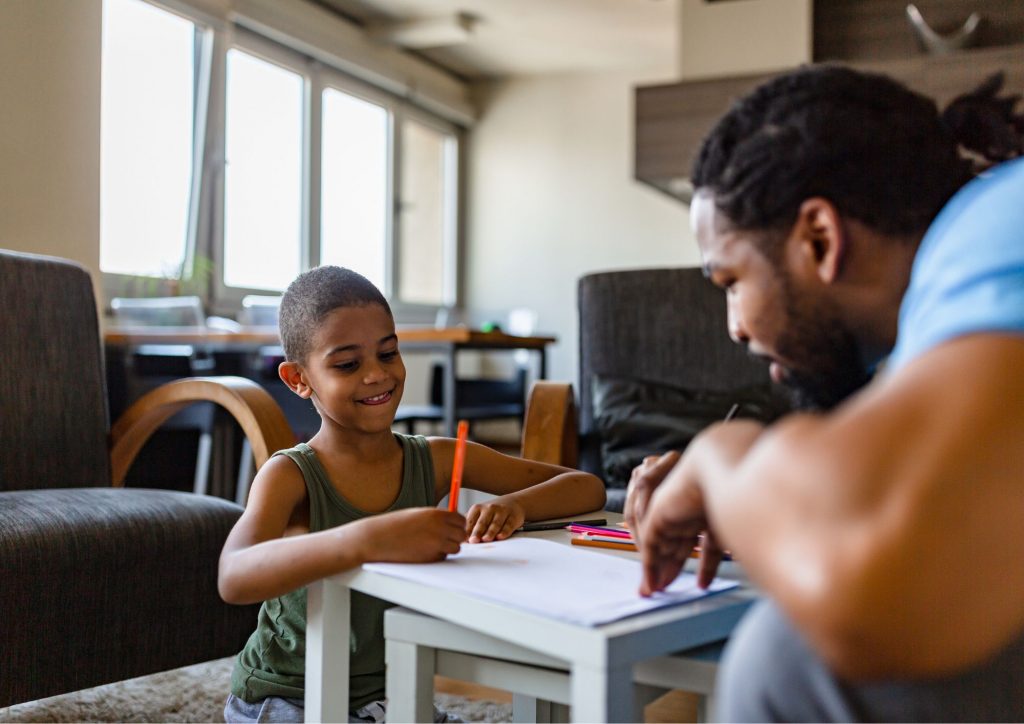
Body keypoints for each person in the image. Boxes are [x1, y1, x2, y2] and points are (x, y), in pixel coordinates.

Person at [625, 64, 1024, 721]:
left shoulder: (997, 225)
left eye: (729, 281)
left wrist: (726, 457)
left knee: (792, 658)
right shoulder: (925, 329)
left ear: (819, 238)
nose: (735, 327)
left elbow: (873, 589)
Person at [218, 266, 606, 723]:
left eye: (388, 353)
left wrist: (516, 506)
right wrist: (368, 540)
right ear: (298, 379)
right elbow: (234, 576)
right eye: (347, 364)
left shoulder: (435, 459)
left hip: (388, 696)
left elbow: (587, 487)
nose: (376, 375)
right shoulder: (291, 475)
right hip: (283, 699)